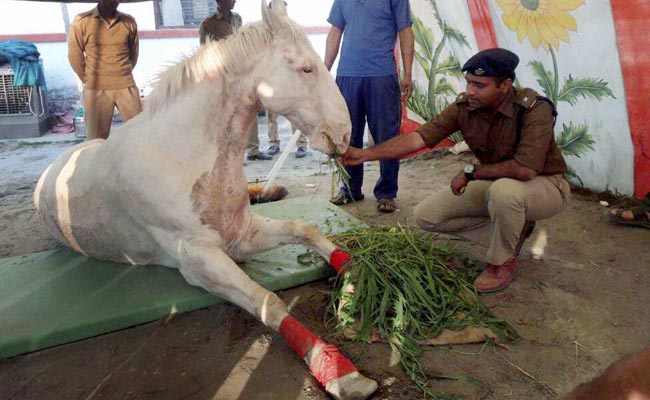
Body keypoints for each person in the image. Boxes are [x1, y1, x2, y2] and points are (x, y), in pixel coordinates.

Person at [341, 48, 571, 293]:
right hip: (499, 183)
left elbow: (525, 170)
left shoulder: (534, 108)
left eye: (480, 85)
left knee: (505, 193)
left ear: (505, 85)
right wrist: (365, 154)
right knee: (426, 216)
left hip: (546, 185)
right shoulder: (465, 105)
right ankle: (515, 231)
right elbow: (418, 139)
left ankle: (501, 262)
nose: (470, 91)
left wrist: (471, 173)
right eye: (469, 82)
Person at [324, 0, 414, 213]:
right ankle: (350, 188)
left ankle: (386, 192)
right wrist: (324, 70)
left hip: (381, 76)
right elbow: (335, 31)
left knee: (387, 136)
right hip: (347, 75)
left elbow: (406, 31)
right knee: (347, 135)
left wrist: (408, 74)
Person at [199, 0, 272, 161]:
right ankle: (224, 153)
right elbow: (204, 52)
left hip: (239, 73)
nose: (235, 1)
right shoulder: (208, 23)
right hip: (221, 76)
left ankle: (253, 150)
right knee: (224, 115)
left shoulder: (237, 18)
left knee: (249, 107)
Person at [68, 0, 142, 140]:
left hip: (126, 86)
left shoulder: (129, 22)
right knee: (96, 139)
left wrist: (123, 72)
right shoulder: (82, 22)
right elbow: (74, 56)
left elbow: (134, 53)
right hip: (96, 88)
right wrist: (88, 79)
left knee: (139, 133)